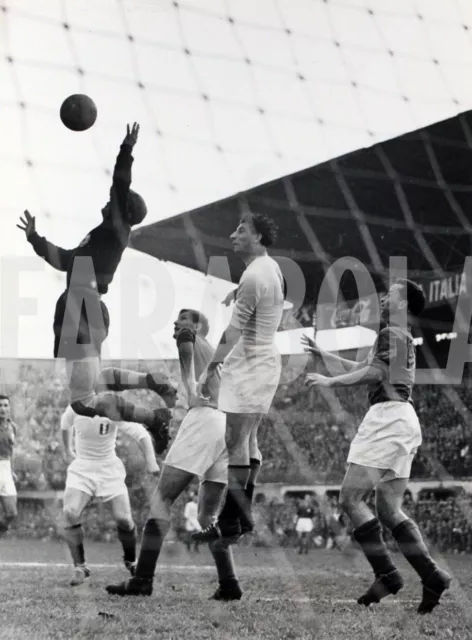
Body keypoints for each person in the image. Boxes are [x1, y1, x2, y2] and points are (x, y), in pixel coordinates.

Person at [18, 123, 174, 443]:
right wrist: (35, 238)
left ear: (123, 209)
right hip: (82, 305)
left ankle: (152, 418)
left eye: (117, 201)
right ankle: (151, 381)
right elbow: (63, 259)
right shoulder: (99, 239)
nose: (108, 202)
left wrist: (126, 149)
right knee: (94, 384)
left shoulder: (117, 228)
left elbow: (119, 185)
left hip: (82, 305)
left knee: (83, 401)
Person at [304, 279, 451, 614]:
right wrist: (324, 356)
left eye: (391, 293)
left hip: (387, 417)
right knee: (388, 509)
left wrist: (330, 382)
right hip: (404, 419)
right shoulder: (397, 335)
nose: (384, 297)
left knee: (350, 499)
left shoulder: (391, 333)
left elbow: (376, 373)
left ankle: (387, 574)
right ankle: (432, 575)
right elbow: (366, 368)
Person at [106, 309, 242, 601]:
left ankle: (142, 579)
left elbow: (185, 342)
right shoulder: (217, 355)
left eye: (183, 317)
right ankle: (229, 583)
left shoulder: (190, 336)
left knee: (162, 499)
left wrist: (190, 383)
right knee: (207, 514)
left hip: (205, 419)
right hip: (226, 426)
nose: (177, 322)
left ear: (196, 325)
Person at [199, 212, 284, 540]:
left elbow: (231, 333)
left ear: (258, 237)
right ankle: (242, 516)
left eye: (241, 230)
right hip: (264, 363)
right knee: (248, 440)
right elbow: (262, 289)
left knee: (235, 440)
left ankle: (231, 520)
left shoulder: (253, 277)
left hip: (250, 366)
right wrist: (238, 291)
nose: (233, 234)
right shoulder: (268, 267)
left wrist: (210, 367)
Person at [60, 404, 160, 586]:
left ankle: (131, 561)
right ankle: (80, 567)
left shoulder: (114, 406)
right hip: (82, 467)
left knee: (124, 520)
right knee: (70, 512)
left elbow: (141, 433)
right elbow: (65, 423)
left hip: (109, 469)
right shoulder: (75, 406)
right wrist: (67, 450)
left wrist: (151, 461)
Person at [0, 395, 18, 534]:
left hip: (6, 470)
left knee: (11, 512)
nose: (2, 409)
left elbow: (12, 451)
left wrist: (12, 470)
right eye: (0, 406)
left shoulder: (13, 427)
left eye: (5, 405)